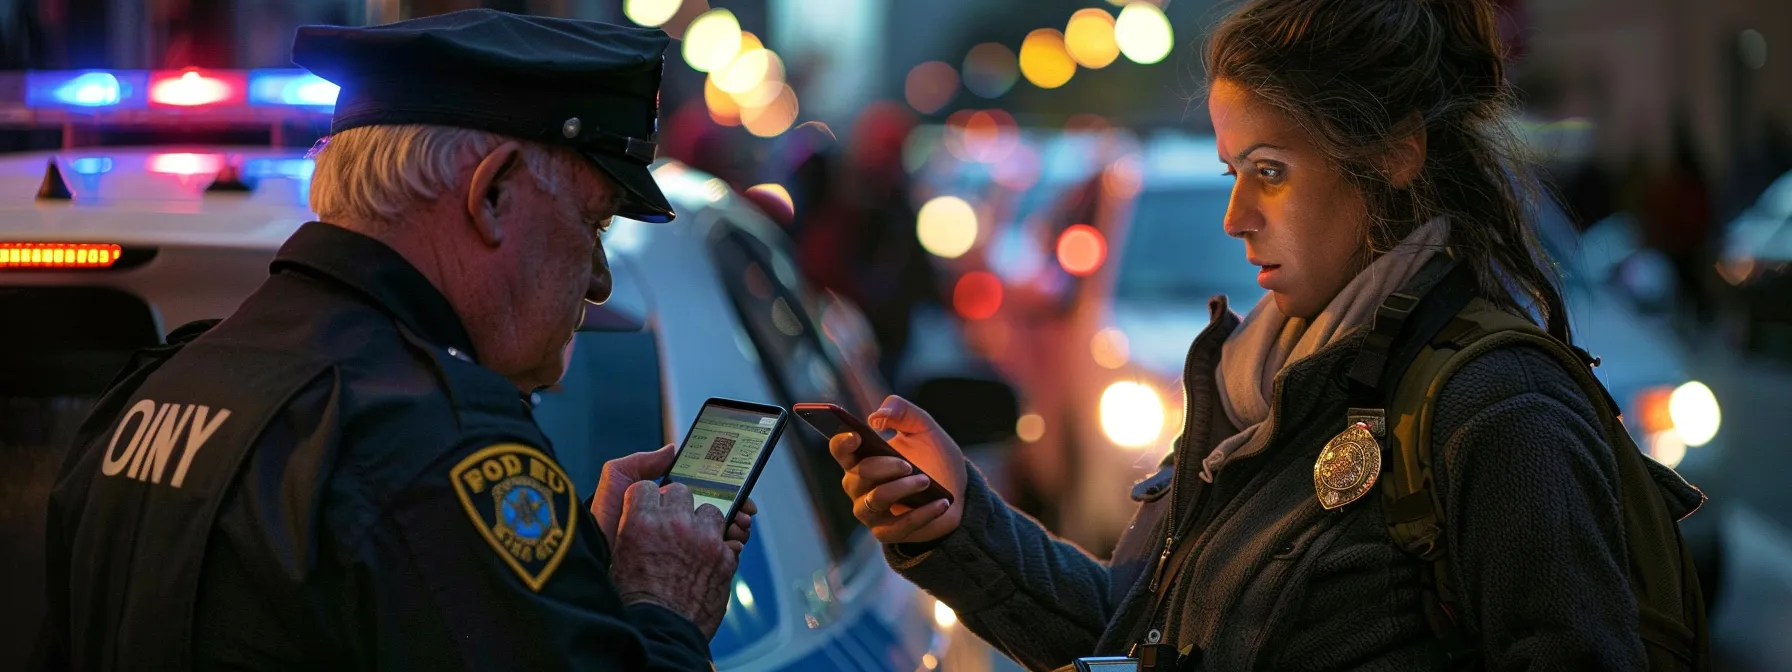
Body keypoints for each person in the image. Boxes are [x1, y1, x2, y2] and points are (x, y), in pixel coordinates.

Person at [830, 0, 1707, 670]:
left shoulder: (1497, 408)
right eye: (1232, 171)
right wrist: (956, 522)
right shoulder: (1261, 384)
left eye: (1270, 173)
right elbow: (1132, 628)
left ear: (1394, 153)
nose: (1235, 215)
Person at [36, 10, 752, 670]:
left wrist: (572, 565)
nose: (597, 279)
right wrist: (663, 611)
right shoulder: (442, 443)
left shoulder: (160, 387)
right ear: (493, 193)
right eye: (593, 224)